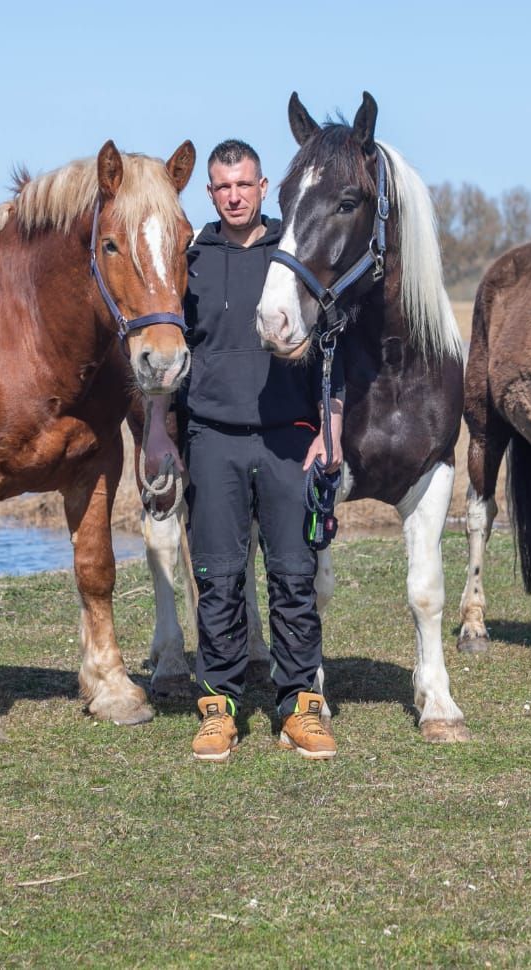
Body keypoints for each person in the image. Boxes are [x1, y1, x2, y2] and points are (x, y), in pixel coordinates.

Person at [143, 138, 344, 763]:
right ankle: (219, 708)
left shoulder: (294, 252)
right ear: (210, 193)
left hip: (290, 440)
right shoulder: (191, 258)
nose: (234, 195)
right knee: (218, 580)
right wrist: (158, 430)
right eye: (223, 186)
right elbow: (165, 350)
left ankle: (299, 707)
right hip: (210, 438)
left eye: (245, 185)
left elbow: (339, 347)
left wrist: (329, 427)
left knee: (293, 576)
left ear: (262, 190)